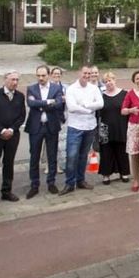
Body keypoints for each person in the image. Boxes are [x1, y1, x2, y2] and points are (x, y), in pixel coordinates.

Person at [0, 70, 26, 207]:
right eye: (12, 79)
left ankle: (6, 191)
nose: (15, 82)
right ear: (5, 80)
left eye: (17, 80)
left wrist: (11, 130)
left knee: (9, 164)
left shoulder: (20, 96)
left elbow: (21, 116)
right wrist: (1, 130)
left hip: (12, 136)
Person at [61, 66, 104, 194]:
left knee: (83, 155)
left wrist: (85, 105)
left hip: (90, 126)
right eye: (85, 73)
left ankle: (80, 180)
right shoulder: (71, 89)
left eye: (89, 73)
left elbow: (100, 103)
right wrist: (89, 109)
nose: (87, 75)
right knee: (71, 156)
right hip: (75, 127)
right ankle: (69, 183)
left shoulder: (94, 88)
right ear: (79, 73)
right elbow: (72, 107)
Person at [24, 65, 65, 198]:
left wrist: (40, 103)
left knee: (52, 156)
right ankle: (34, 185)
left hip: (51, 126)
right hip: (36, 127)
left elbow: (59, 103)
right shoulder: (31, 88)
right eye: (38, 76)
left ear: (48, 75)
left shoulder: (56, 88)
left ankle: (51, 183)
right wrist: (48, 102)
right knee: (34, 157)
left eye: (43, 75)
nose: (40, 78)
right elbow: (31, 104)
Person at [97, 72, 130, 185]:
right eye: (106, 82)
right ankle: (106, 175)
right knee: (106, 152)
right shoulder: (101, 96)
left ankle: (124, 173)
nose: (108, 83)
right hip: (105, 129)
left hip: (121, 127)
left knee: (121, 150)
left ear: (115, 80)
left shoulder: (124, 94)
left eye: (110, 80)